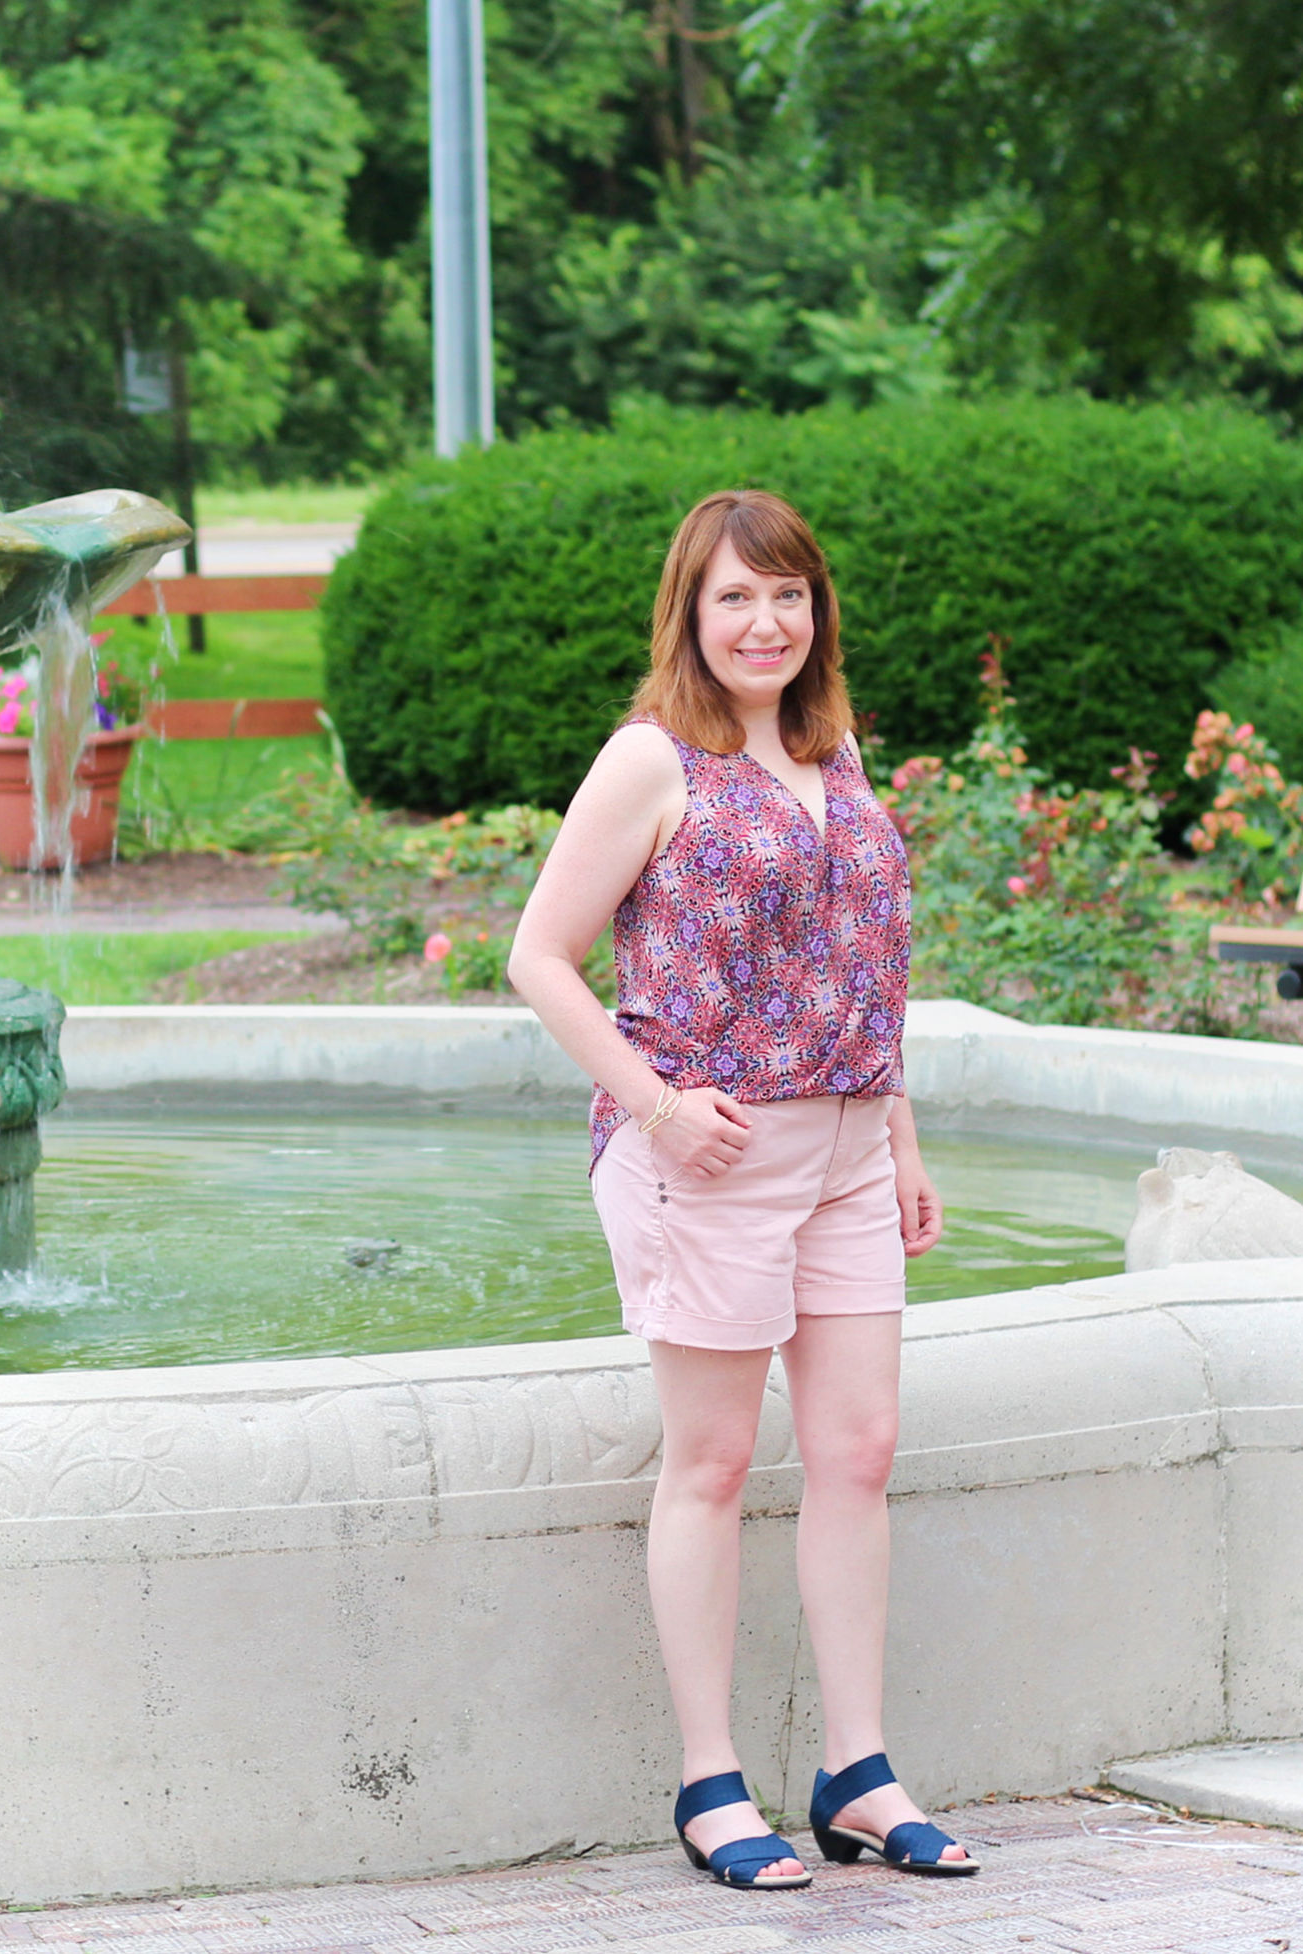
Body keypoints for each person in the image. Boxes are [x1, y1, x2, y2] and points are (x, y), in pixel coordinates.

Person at [507, 489, 979, 1891]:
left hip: (841, 1145)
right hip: (704, 1153)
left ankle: (856, 1769)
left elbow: (861, 960)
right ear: (689, 615)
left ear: (814, 611)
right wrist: (653, 1108)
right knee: (709, 1463)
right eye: (733, 597)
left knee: (858, 1450)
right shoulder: (650, 759)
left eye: (786, 594)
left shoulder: (833, 754)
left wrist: (894, 1136)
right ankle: (710, 1781)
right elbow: (539, 954)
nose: (763, 621)